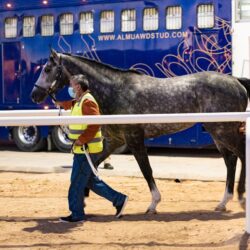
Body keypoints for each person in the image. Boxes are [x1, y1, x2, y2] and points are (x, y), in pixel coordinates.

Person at [56, 74, 128, 223]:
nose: (70, 87)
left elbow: (95, 123)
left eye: (72, 85)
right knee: (90, 181)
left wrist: (81, 140)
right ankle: (119, 200)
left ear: (78, 87)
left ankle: (77, 215)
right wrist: (60, 104)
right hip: (85, 149)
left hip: (86, 150)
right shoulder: (81, 100)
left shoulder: (87, 101)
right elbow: (73, 105)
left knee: (76, 181)